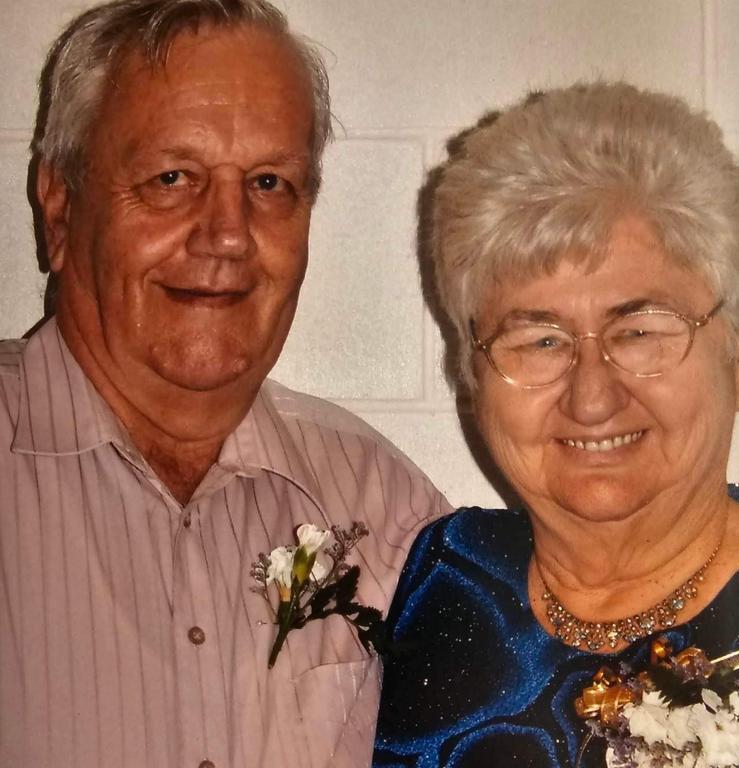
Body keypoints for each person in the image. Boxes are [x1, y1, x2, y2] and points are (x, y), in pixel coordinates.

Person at [0, 2, 451, 767]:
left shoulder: (391, 515)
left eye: (271, 183)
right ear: (59, 206)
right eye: (171, 178)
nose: (229, 233)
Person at [373, 81, 739, 767]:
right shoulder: (430, 578)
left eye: (640, 330)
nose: (591, 398)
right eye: (540, 340)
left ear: (738, 357)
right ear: (472, 374)